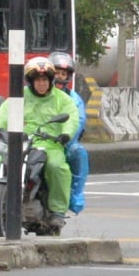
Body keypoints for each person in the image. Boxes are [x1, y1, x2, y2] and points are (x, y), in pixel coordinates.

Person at [0, 56, 79, 212]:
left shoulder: (63, 99)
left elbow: (72, 119)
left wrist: (66, 134)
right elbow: (2, 116)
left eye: (44, 80)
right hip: (19, 143)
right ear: (30, 81)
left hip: (50, 145)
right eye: (37, 80)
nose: (41, 83)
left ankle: (57, 210)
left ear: (51, 80)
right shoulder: (19, 96)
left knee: (56, 167)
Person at [50, 50, 90, 215]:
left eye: (63, 74)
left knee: (78, 152)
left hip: (62, 143)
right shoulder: (32, 93)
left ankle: (74, 195)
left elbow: (78, 121)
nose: (60, 77)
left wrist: (65, 137)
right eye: (56, 73)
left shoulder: (74, 99)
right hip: (35, 140)